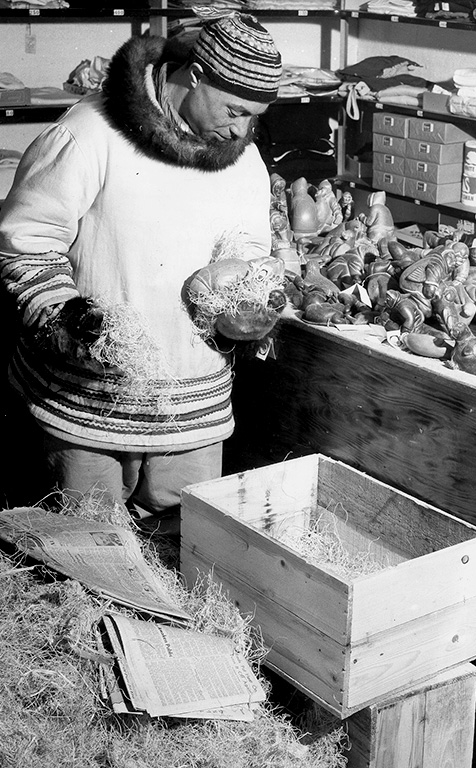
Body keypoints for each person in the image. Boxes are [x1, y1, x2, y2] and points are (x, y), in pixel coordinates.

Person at [0, 13, 284, 527]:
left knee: (185, 543)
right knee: (86, 550)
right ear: (195, 76)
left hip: (192, 412)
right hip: (91, 402)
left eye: (255, 117)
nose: (243, 129)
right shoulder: (90, 135)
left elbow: (247, 239)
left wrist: (247, 286)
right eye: (236, 109)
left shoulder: (242, 158)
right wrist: (65, 317)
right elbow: (26, 243)